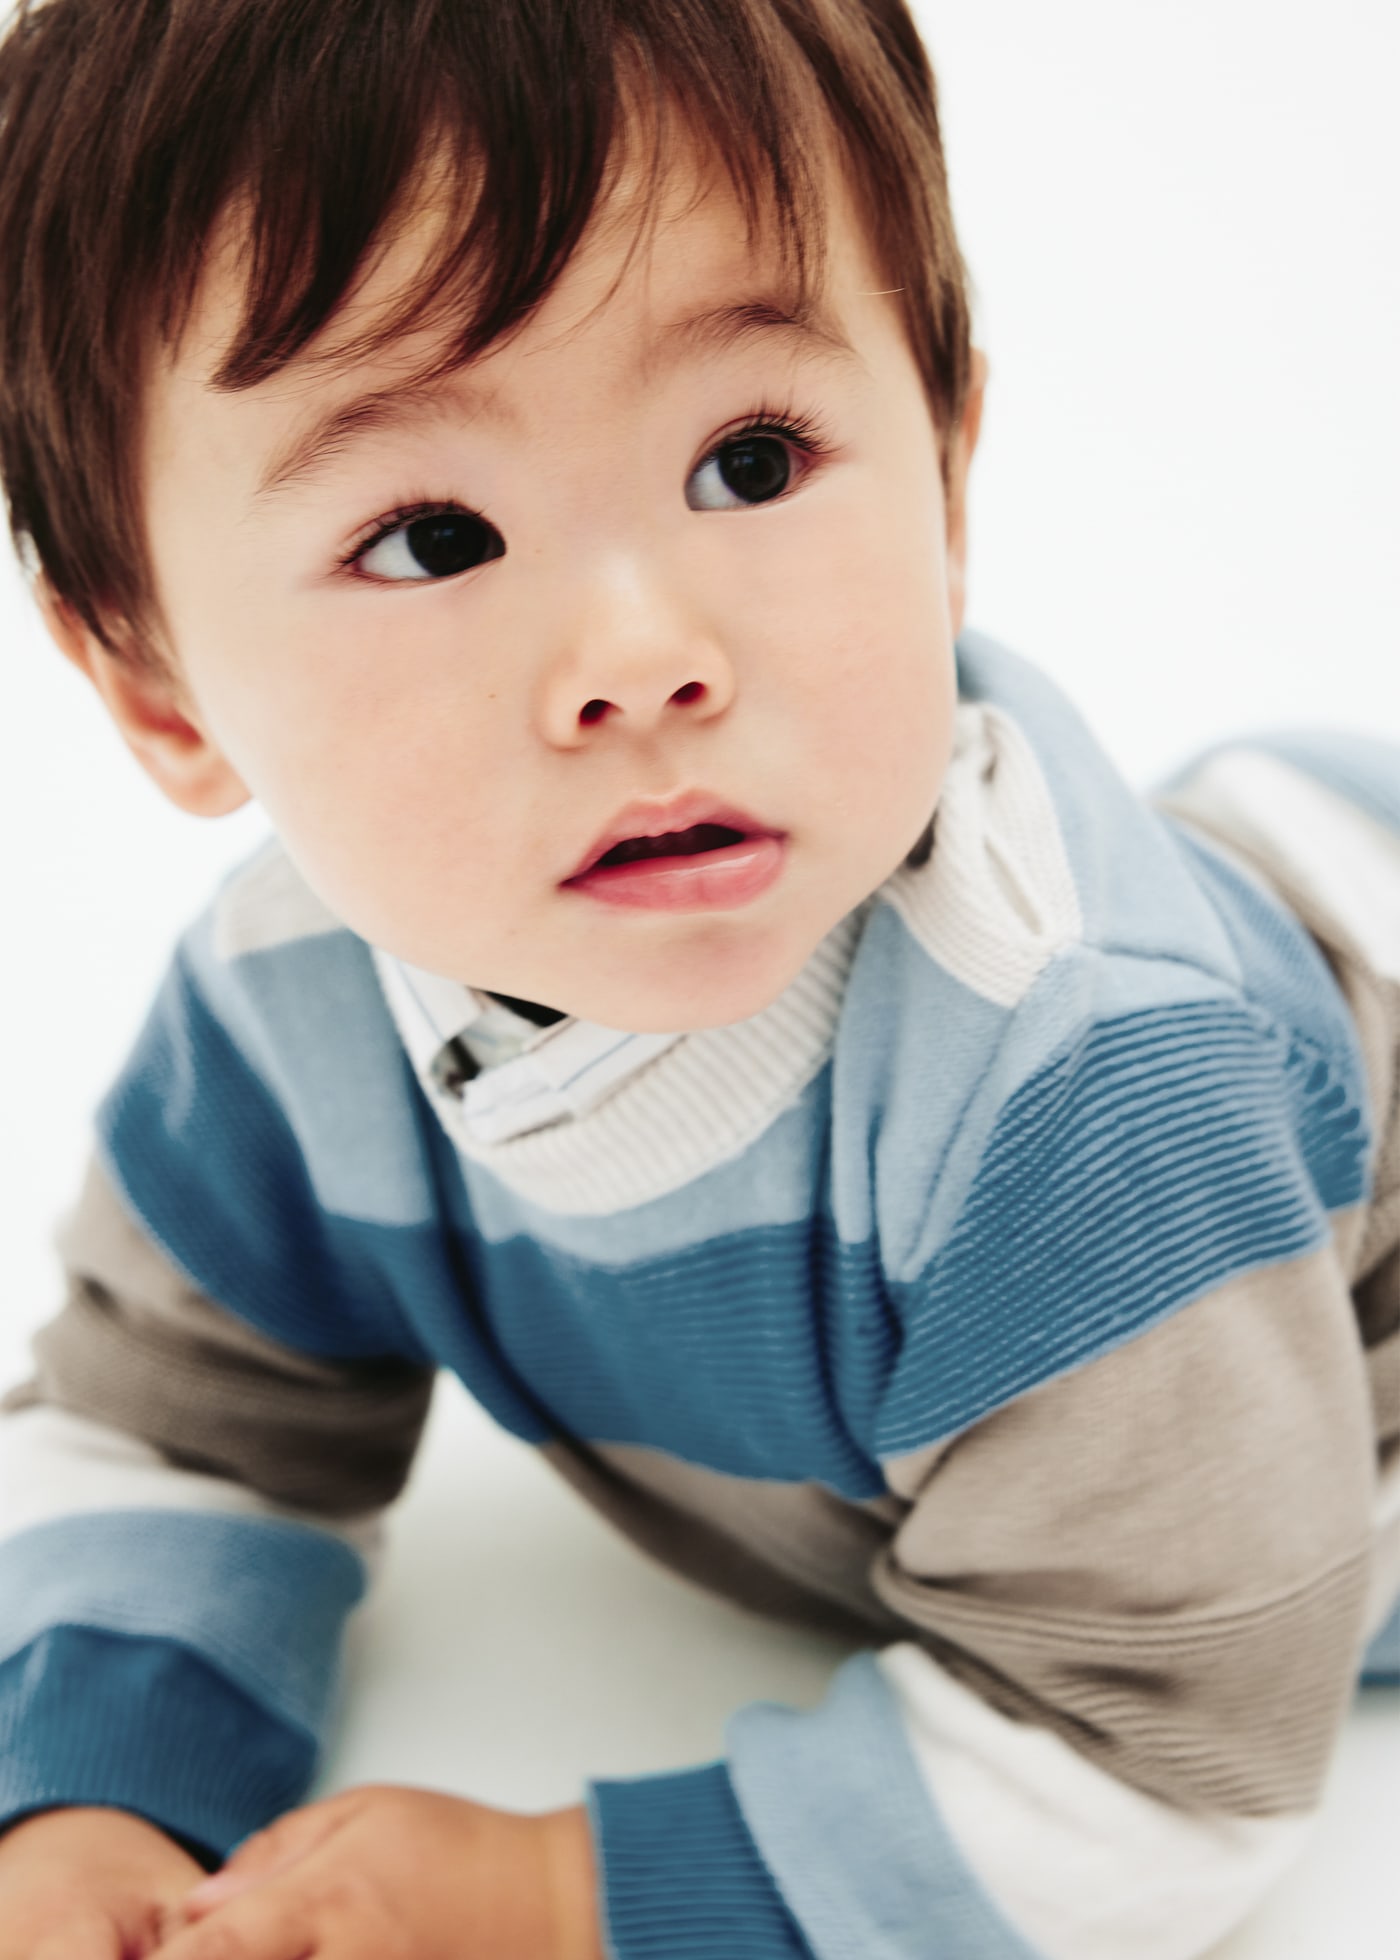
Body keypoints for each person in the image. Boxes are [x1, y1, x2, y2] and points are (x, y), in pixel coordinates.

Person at [0, 0, 1396, 1954]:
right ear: (156, 688)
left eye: (749, 459)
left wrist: (552, 1885)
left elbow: (1161, 1761)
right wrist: (86, 1802)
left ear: (949, 479)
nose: (642, 654)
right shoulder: (291, 1004)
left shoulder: (1091, 1101)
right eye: (429, 534)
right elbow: (173, 1415)